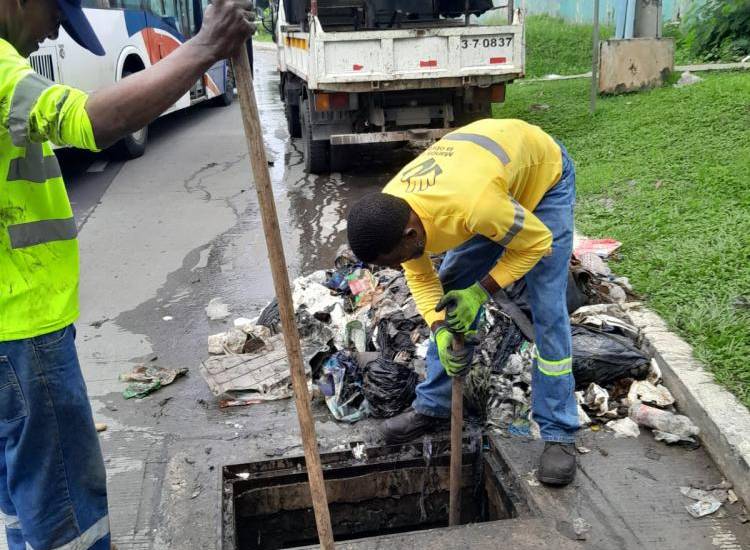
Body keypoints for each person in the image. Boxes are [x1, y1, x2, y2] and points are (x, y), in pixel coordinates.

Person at [0, 1, 254, 547]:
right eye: (53, 17)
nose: (51, 36)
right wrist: (205, 48)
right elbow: (91, 120)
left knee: (23, 498)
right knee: (66, 513)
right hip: (21, 327)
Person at [347, 118, 579, 486]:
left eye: (394, 260)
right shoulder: (394, 207)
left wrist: (480, 291)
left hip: (542, 180)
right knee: (450, 289)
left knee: (548, 309)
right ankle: (435, 405)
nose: (397, 268)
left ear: (411, 234)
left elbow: (537, 243)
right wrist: (439, 329)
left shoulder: (475, 206)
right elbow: (423, 279)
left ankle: (559, 431)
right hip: (492, 181)